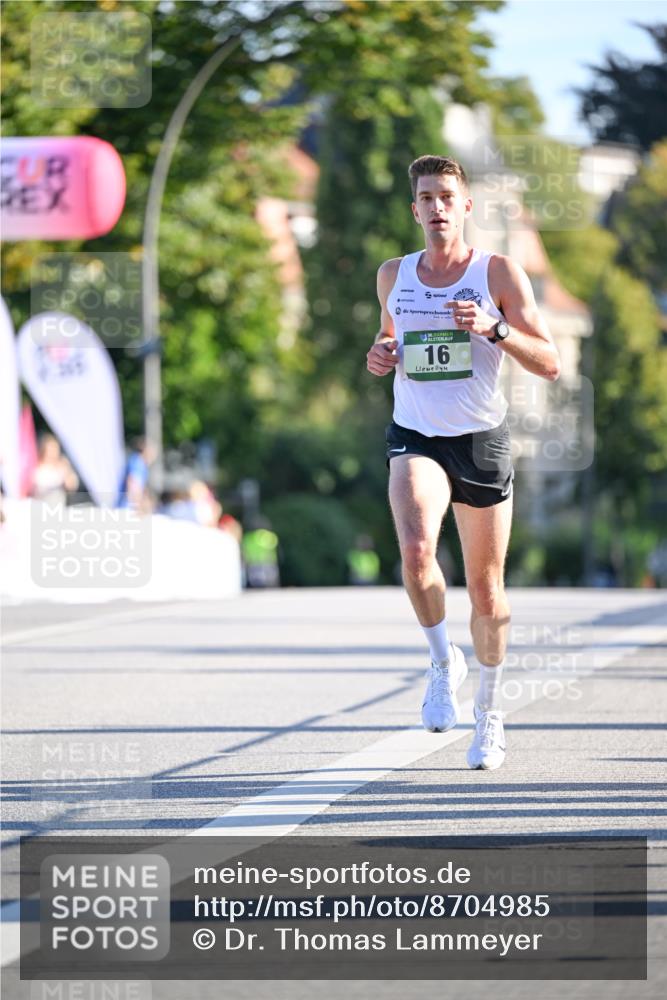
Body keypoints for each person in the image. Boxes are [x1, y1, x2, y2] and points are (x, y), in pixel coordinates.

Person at [367, 155, 560, 770]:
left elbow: (551, 361)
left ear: (466, 206)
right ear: (414, 208)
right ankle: (439, 662)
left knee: (486, 590)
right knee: (418, 551)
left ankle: (490, 711)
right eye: (426, 197)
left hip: (480, 440)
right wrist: (380, 356)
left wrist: (495, 329)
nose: (437, 207)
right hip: (416, 434)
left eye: (447, 196)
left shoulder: (498, 272)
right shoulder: (393, 275)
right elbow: (389, 341)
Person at [31, 434, 79, 505]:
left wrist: (67, 472)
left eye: (55, 449)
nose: (52, 452)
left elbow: (72, 487)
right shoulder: (36, 465)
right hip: (40, 505)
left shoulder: (62, 465)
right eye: (50, 449)